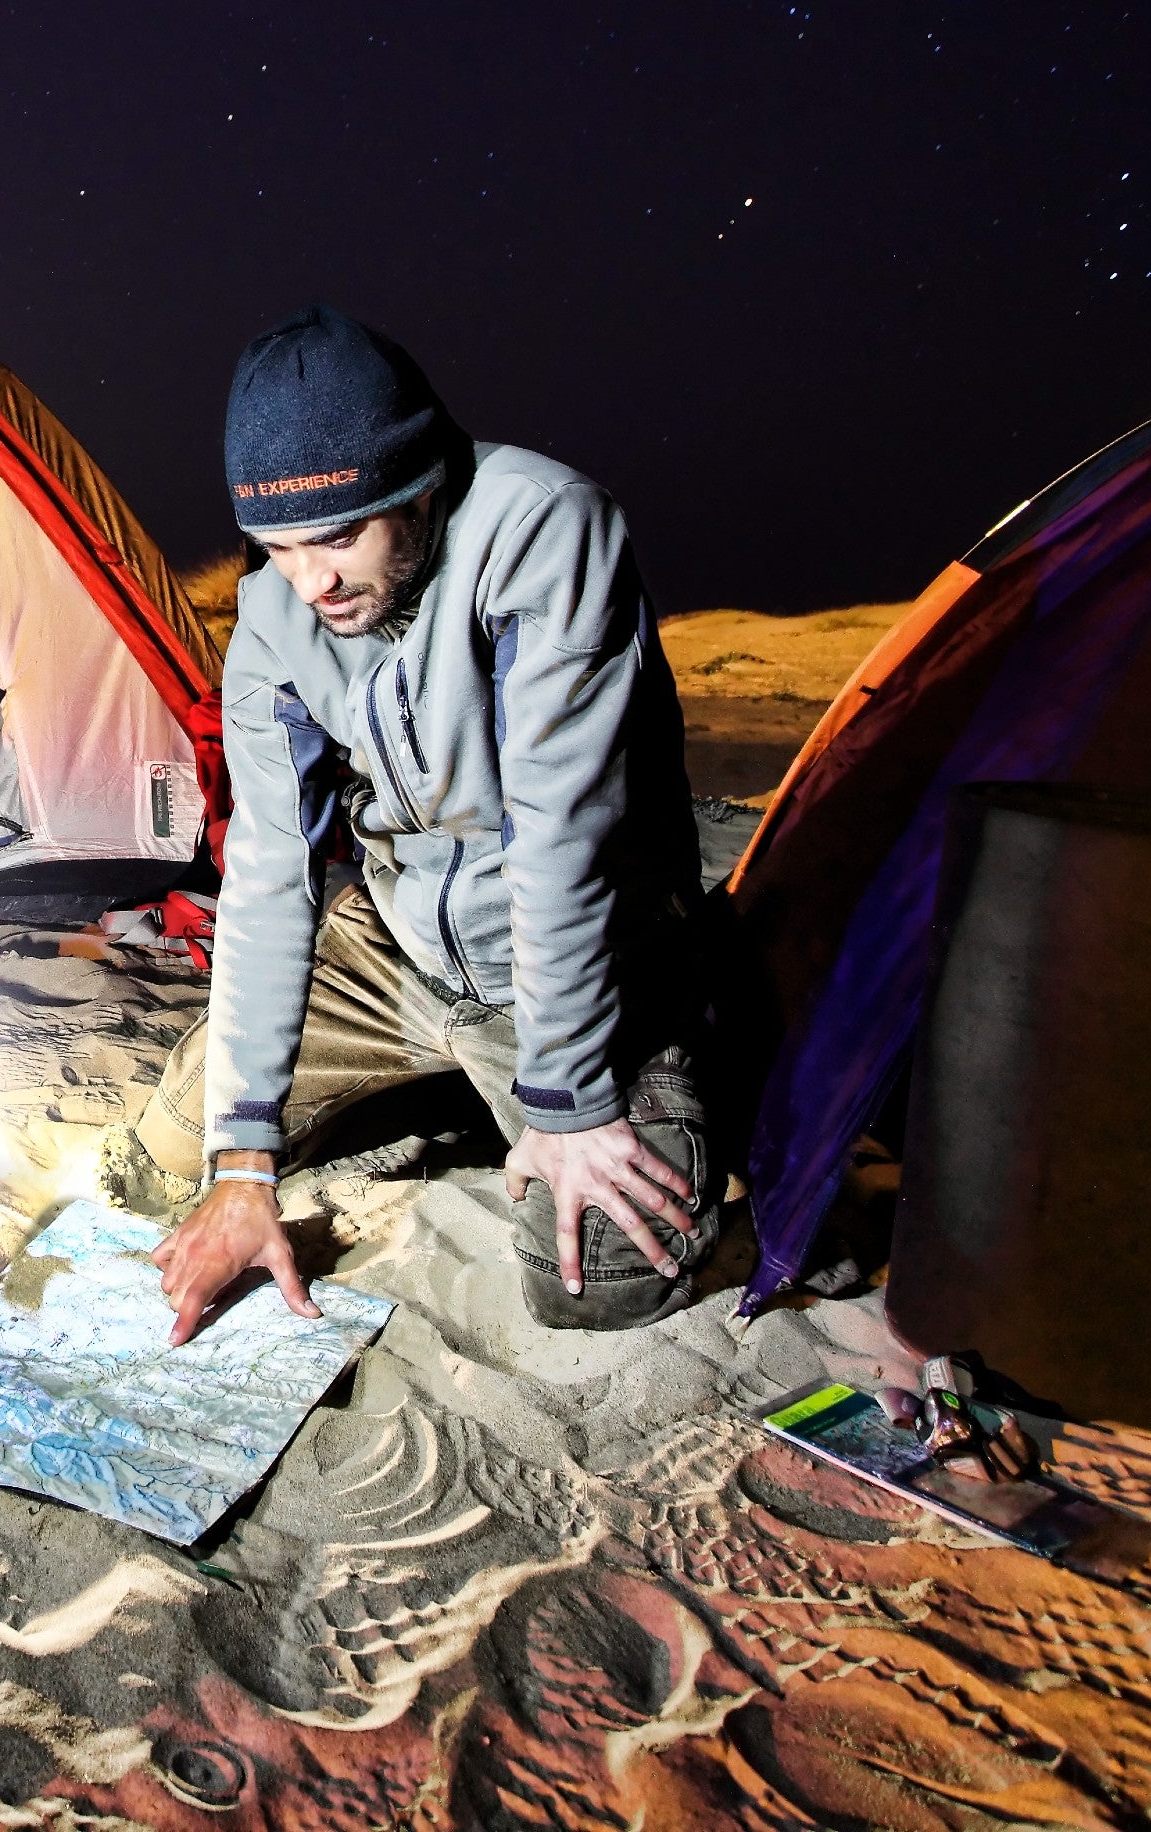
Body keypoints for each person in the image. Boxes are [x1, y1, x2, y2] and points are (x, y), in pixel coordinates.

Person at [130, 305, 719, 1340]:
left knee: (602, 1280)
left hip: (576, 956)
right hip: (398, 951)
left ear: (422, 485)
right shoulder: (274, 615)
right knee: (181, 1156)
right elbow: (270, 875)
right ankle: (442, 1089)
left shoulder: (542, 527)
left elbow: (559, 835)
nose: (311, 582)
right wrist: (246, 1163)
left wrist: (574, 1103)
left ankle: (632, 1067)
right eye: (275, 547)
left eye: (340, 535)